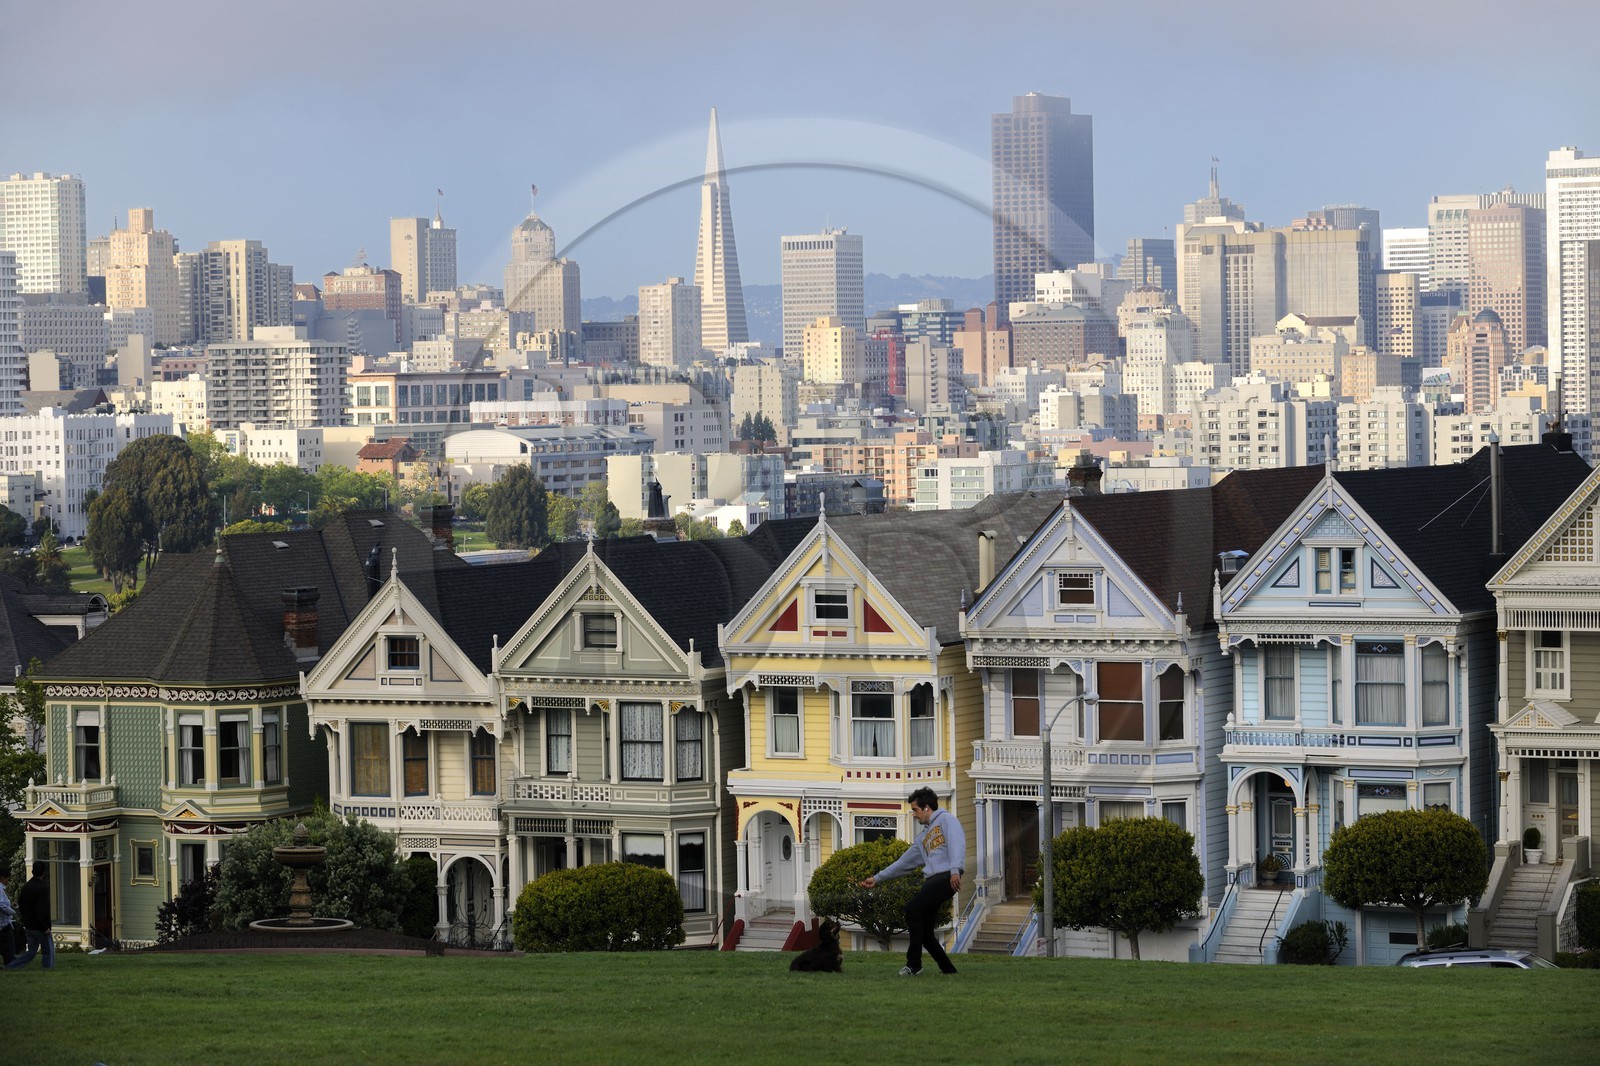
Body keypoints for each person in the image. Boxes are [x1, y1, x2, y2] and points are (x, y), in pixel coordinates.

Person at [858, 786, 965, 976]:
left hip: (946, 876)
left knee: (912, 910)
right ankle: (949, 970)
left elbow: (957, 843)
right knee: (925, 932)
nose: (914, 814)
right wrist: (877, 878)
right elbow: (903, 863)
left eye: (915, 809)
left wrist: (955, 870)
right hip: (933, 880)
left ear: (926, 808)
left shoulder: (947, 820)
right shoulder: (923, 837)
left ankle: (914, 965)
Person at [6, 861, 53, 971]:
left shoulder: (26, 887)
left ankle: (11, 966)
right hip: (40, 927)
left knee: (31, 952)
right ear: (43, 873)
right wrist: (45, 927)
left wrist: (25, 920)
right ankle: (47, 969)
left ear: (32, 871)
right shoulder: (42, 888)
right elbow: (41, 910)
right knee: (47, 951)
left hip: (29, 925)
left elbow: (21, 905)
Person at [0, 868, 15, 965]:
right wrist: (12, 912)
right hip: (3, 923)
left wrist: (10, 905)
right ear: (2, 878)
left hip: (3, 923)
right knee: (9, 946)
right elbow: (1, 904)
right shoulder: (0, 889)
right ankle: (10, 964)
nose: (8, 882)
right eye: (7, 879)